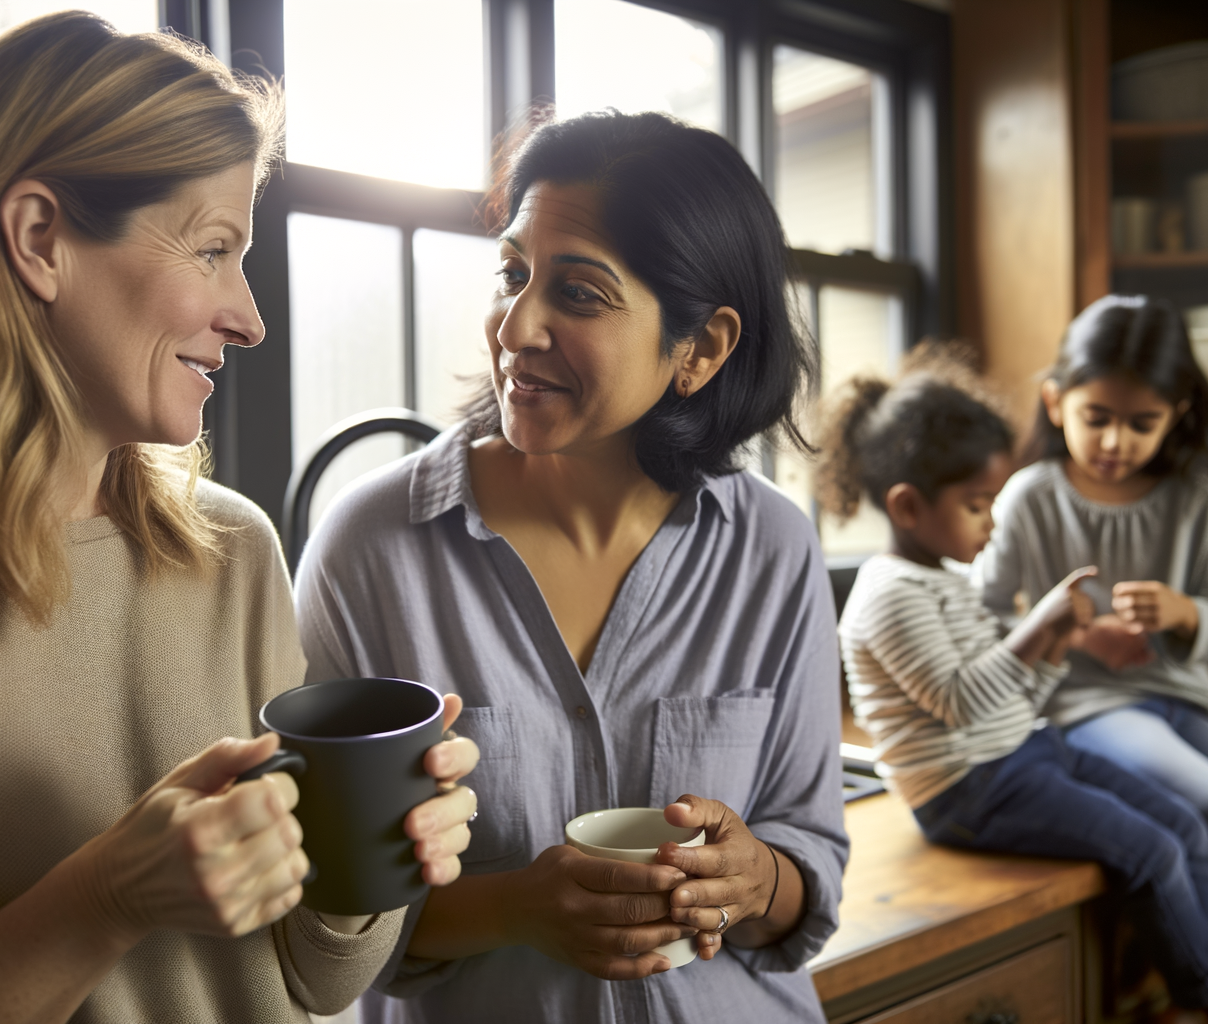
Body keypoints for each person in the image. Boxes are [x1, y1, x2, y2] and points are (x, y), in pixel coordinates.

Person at [0, 14, 477, 1024]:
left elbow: (318, 978)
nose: (250, 318)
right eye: (212, 250)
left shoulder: (234, 550)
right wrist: (105, 900)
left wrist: (373, 851)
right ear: (40, 238)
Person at [293, 110, 848, 1023]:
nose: (515, 328)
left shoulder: (771, 548)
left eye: (579, 294)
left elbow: (810, 861)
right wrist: (515, 909)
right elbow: (325, 919)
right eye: (513, 274)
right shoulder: (372, 547)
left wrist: (758, 878)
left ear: (702, 349)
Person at [821, 354, 1208, 1024]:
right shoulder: (888, 595)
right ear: (907, 506)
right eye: (977, 505)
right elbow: (962, 703)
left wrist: (1060, 642)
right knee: (1153, 849)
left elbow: (1010, 694)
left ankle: (1184, 978)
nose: (992, 522)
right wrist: (1038, 626)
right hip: (966, 791)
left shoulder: (947, 577)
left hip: (1021, 753)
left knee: (1186, 826)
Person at [976, 294, 1208, 1024]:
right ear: (1056, 401)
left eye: (1142, 423)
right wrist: (1076, 635)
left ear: (1178, 414)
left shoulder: (1194, 496)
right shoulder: (1030, 497)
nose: (1116, 441)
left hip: (1186, 699)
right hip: (1086, 706)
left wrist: (1184, 612)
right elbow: (981, 612)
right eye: (1097, 417)